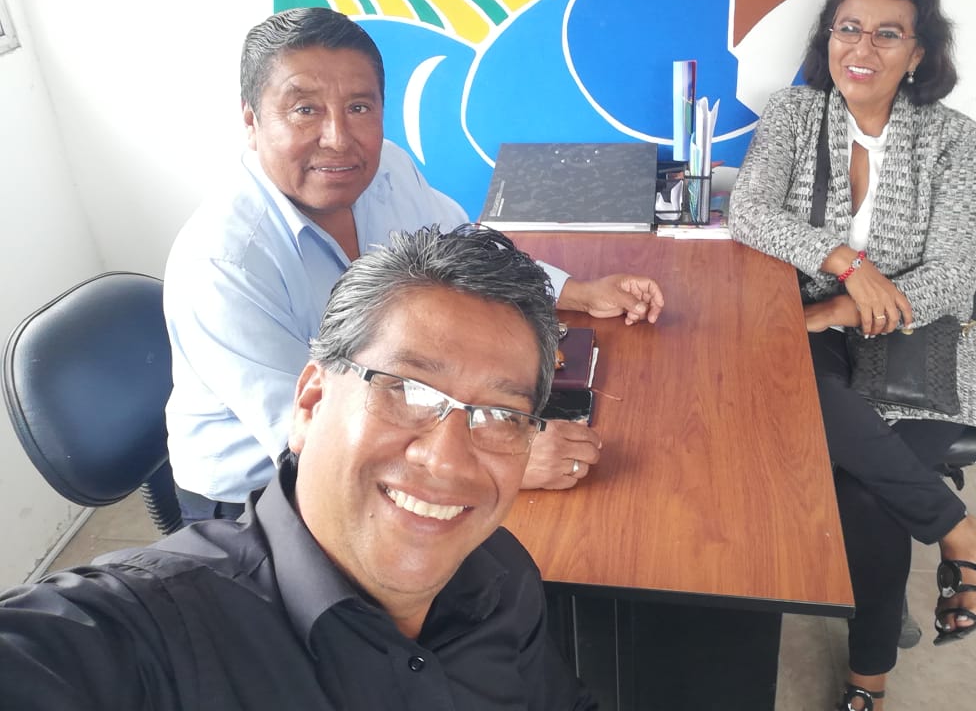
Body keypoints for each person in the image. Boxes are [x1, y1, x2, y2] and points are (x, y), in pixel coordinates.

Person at [0, 225, 598, 711]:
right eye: (406, 390)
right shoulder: (150, 636)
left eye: (498, 414)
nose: (445, 459)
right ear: (310, 403)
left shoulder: (500, 576)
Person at [164, 7, 665, 523]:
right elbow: (310, 434)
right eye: (305, 109)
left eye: (359, 107)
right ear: (251, 121)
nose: (338, 138)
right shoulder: (223, 264)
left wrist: (577, 291)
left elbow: (466, 247)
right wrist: (497, 452)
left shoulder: (386, 168)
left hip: (393, 414)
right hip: (262, 494)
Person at [729, 0, 976, 711]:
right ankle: (959, 532)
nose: (861, 50)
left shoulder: (954, 139)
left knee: (864, 495)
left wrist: (843, 306)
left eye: (887, 34)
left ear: (919, 52)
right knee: (786, 384)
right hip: (818, 329)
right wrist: (846, 265)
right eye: (849, 29)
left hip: (928, 340)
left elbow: (954, 276)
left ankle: (868, 680)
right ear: (828, 36)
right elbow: (751, 212)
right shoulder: (794, 115)